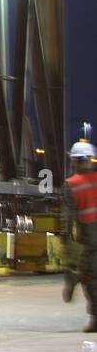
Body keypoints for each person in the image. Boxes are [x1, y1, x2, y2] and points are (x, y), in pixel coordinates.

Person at [62, 139, 97, 332]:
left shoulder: (71, 184)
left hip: (89, 237)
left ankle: (74, 277)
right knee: (91, 277)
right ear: (91, 159)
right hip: (91, 238)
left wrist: (66, 239)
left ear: (73, 161)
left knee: (91, 277)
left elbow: (67, 217)